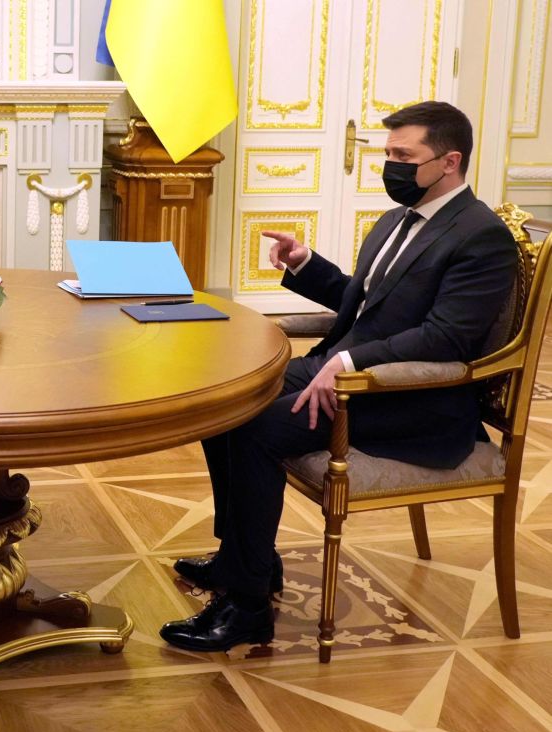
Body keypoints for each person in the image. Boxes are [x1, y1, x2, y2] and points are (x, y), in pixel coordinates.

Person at [159, 101, 517, 652]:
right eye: (389, 152)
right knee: (224, 401)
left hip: (413, 398)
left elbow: (447, 338)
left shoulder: (481, 236)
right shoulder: (399, 219)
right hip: (345, 371)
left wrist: (349, 364)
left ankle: (247, 605)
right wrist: (304, 265)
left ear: (450, 161)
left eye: (404, 155)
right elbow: (370, 304)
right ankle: (246, 559)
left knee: (256, 430)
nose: (391, 165)